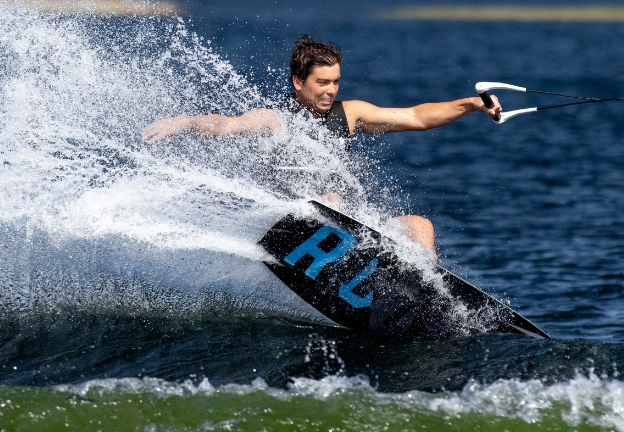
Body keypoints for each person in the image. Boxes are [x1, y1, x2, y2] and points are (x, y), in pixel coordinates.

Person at [142, 35, 502, 262]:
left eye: (336, 82)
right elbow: (227, 125)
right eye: (322, 82)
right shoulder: (274, 119)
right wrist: (185, 122)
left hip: (346, 230)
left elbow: (415, 116)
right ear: (299, 81)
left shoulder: (350, 115)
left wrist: (470, 104)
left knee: (419, 226)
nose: (331, 90)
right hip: (290, 229)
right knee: (331, 200)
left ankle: (425, 291)